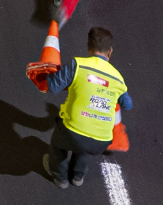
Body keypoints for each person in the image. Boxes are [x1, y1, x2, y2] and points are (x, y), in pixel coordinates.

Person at [42, 26, 131, 189]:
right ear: (110, 52)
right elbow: (127, 104)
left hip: (72, 132)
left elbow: (53, 87)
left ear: (88, 48)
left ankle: (60, 178)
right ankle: (77, 176)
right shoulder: (118, 79)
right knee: (85, 143)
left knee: (58, 144)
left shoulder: (78, 65)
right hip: (101, 141)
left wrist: (47, 70)